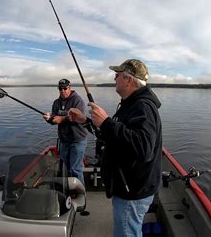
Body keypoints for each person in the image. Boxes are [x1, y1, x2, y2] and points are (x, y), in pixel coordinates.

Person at [69, 59, 162, 237]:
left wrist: (106, 122)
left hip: (132, 190)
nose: (114, 79)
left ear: (129, 79)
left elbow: (144, 148)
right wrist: (86, 121)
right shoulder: (131, 104)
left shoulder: (142, 107)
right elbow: (114, 136)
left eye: (117, 75)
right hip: (129, 186)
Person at [44, 79, 88, 185]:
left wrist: (61, 119)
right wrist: (50, 119)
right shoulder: (56, 102)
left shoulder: (77, 100)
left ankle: (80, 195)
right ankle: (66, 189)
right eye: (60, 88)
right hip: (64, 140)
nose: (63, 91)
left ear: (70, 87)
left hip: (78, 139)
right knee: (64, 167)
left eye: (65, 88)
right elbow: (55, 119)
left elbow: (76, 117)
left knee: (75, 169)